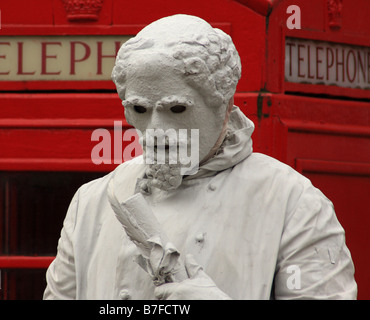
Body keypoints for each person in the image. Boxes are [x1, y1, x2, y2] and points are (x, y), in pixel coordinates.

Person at [43, 14, 357, 300]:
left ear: (221, 104)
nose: (155, 130)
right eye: (139, 109)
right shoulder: (91, 201)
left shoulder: (292, 202)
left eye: (176, 109)